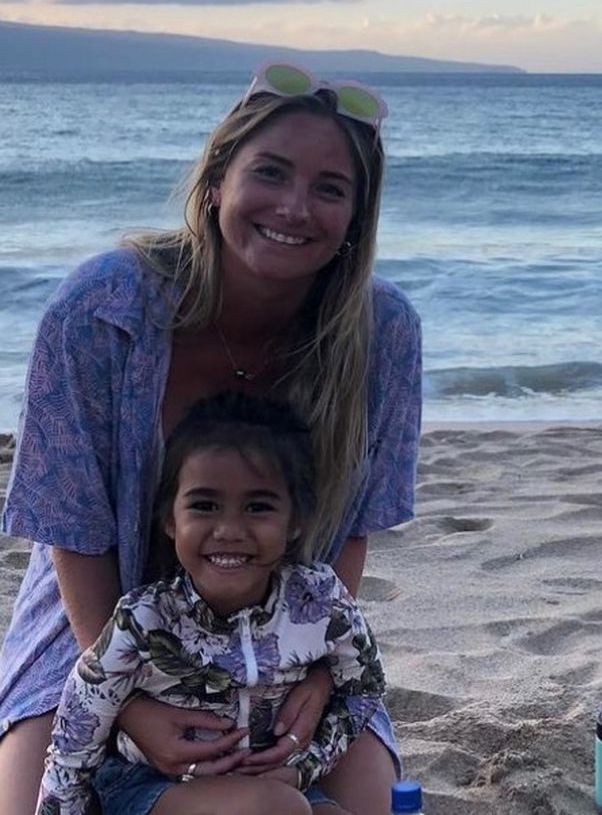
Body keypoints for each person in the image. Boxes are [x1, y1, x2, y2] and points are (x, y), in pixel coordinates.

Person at [0, 61, 421, 815]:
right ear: (218, 179)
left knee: (377, 805)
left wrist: (317, 674)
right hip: (100, 614)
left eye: (330, 189)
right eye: (271, 172)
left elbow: (348, 529)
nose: (294, 207)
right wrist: (128, 703)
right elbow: (72, 531)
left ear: (357, 218)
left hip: (284, 623)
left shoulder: (380, 332)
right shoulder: (101, 309)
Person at [38, 392, 386, 815]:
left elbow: (364, 685)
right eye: (205, 506)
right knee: (277, 807)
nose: (228, 530)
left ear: (295, 522)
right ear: (170, 519)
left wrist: (308, 765)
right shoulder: (143, 620)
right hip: (150, 785)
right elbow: (77, 728)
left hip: (275, 781)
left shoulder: (320, 599)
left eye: (258, 507)